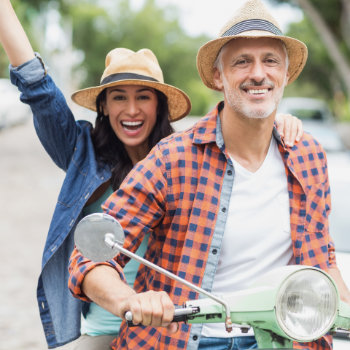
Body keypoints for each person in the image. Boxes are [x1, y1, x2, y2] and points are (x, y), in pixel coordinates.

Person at [0, 0, 304, 349]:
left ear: (159, 105)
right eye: (118, 97)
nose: (131, 110)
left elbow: (240, 125)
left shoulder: (185, 159)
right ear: (103, 106)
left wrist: (269, 122)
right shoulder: (81, 153)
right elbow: (37, 87)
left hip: (171, 330)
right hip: (104, 326)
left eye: (143, 96)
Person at [68, 0, 350, 349]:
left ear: (285, 75)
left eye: (270, 60)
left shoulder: (309, 157)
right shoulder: (173, 159)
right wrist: (130, 300)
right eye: (242, 61)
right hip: (189, 340)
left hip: (288, 339)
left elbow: (323, 260)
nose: (258, 73)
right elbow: (90, 257)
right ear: (219, 76)